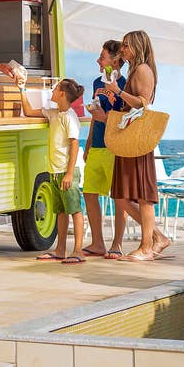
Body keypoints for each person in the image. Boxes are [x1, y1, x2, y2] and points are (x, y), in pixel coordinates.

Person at [99, 29, 170, 261]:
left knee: (142, 197)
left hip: (137, 139)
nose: (123, 49)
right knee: (121, 197)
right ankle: (157, 237)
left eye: (127, 45)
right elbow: (132, 103)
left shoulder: (142, 69)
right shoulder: (134, 70)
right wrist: (116, 96)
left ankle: (147, 247)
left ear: (138, 47)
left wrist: (118, 91)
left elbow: (143, 103)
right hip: (128, 139)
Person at [17, 77, 86, 264]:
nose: (52, 92)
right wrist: (22, 89)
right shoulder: (53, 113)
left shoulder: (69, 117)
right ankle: (60, 249)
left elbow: (74, 145)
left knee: (75, 210)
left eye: (55, 89)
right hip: (54, 172)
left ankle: (78, 250)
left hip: (66, 172)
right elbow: (29, 111)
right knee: (60, 211)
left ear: (62, 94)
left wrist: (70, 174)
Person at [82, 39, 125, 259]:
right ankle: (98, 243)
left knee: (118, 197)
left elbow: (125, 117)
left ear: (115, 60)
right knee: (89, 192)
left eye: (102, 56)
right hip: (97, 145)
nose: (98, 60)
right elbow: (94, 116)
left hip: (114, 147)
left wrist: (105, 118)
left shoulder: (123, 84)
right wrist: (87, 144)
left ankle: (117, 244)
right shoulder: (96, 83)